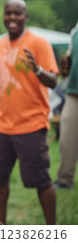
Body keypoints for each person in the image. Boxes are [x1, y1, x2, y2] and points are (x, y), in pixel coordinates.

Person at [0, 0, 58, 225]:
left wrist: (37, 69)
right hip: (1, 126)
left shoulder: (39, 44)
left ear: (26, 17)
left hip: (32, 124)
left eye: (18, 13)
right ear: (4, 16)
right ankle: (1, 227)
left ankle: (53, 230)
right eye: (8, 13)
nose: (12, 17)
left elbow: (54, 81)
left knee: (42, 181)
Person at [55, 23, 78, 189]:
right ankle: (64, 180)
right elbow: (70, 60)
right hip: (73, 91)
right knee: (66, 137)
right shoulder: (75, 30)